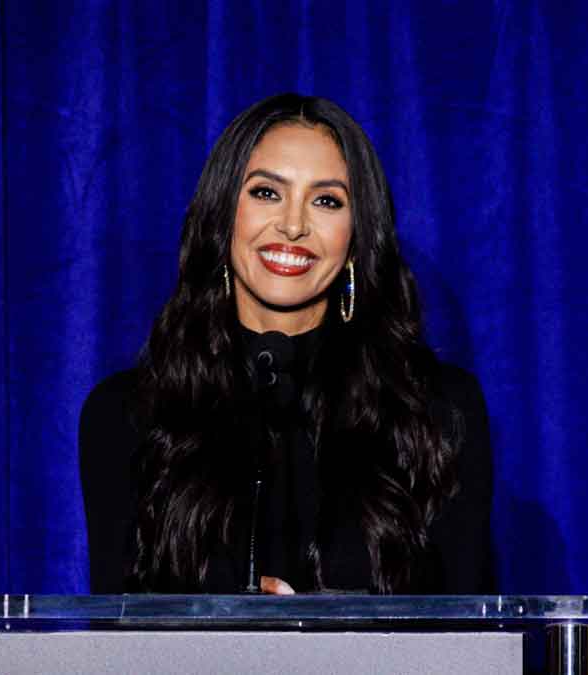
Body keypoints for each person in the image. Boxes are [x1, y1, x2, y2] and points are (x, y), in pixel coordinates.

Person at [79, 93, 495, 595]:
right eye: (266, 193)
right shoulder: (128, 414)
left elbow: (467, 639)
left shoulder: (438, 411)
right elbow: (114, 639)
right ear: (221, 212)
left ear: (358, 235)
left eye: (326, 201)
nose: (294, 225)